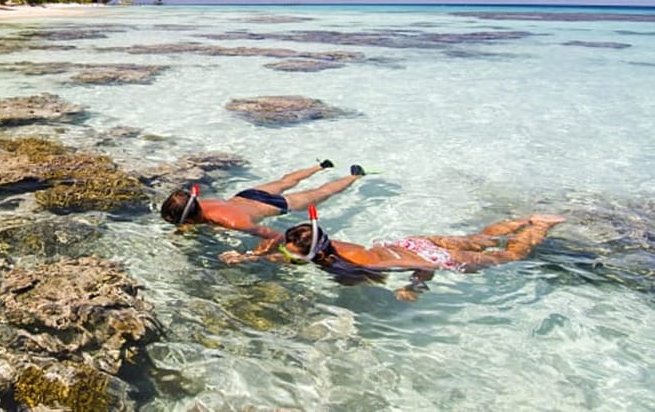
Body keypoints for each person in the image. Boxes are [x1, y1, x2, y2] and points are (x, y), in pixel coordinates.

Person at [224, 213, 566, 300]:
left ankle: (539, 226)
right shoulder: (325, 243)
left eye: (290, 252)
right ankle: (519, 220)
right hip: (411, 241)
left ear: (314, 253)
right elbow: (275, 243)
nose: (284, 252)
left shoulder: (364, 263)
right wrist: (247, 258)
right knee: (479, 239)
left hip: (429, 254)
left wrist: (414, 288)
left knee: (509, 256)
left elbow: (426, 265)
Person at [160, 160, 367, 255]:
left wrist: (253, 254)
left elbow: (276, 235)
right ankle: (319, 166)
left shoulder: (233, 223)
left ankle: (355, 175)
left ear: (188, 218)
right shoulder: (198, 203)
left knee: (321, 193)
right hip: (247, 195)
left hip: (271, 205)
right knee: (286, 181)